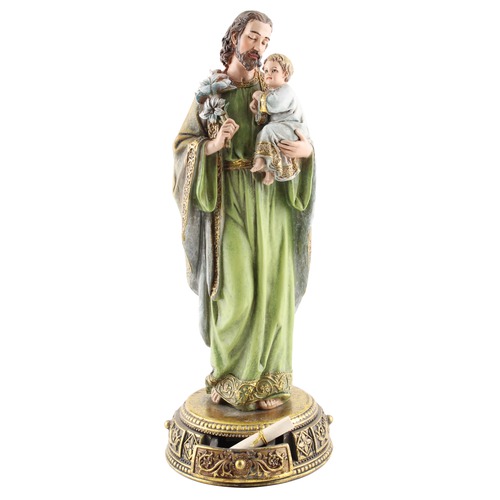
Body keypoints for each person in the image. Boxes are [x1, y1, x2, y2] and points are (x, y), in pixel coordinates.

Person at [172, 10, 315, 411]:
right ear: (235, 36)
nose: (259, 47)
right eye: (253, 36)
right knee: (236, 293)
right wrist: (213, 145)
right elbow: (182, 148)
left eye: (266, 41)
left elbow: (300, 130)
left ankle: (269, 382)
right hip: (229, 200)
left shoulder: (274, 90)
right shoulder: (210, 94)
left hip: (272, 206)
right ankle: (228, 376)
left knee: (273, 288)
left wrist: (306, 151)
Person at [250, 53, 310, 185]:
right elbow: (265, 116)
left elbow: (274, 104)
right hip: (281, 128)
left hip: (293, 128)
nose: (268, 73)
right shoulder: (270, 92)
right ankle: (269, 171)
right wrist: (257, 110)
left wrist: (260, 96)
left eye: (274, 70)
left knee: (268, 131)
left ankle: (260, 160)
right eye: (266, 70)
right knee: (266, 135)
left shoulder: (286, 90)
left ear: (285, 74)